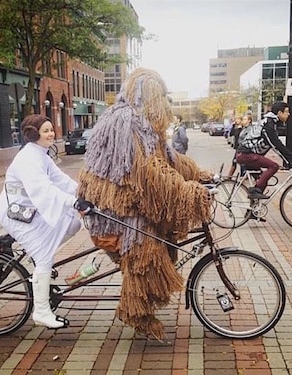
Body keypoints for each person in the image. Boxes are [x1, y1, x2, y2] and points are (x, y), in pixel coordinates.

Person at [78, 67, 212, 340]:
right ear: (147, 95)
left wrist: (197, 174)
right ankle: (136, 314)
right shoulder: (126, 122)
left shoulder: (146, 124)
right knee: (144, 250)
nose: (165, 103)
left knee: (162, 240)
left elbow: (168, 158)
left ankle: (146, 303)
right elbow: (148, 172)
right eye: (161, 96)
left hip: (129, 204)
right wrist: (188, 192)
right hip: (113, 212)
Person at [0, 114, 83, 329]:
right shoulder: (28, 158)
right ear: (33, 134)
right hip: (16, 213)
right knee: (43, 256)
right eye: (45, 130)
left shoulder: (42, 155)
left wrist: (84, 194)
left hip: (29, 209)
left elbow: (60, 180)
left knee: (72, 222)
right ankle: (42, 312)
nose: (51, 133)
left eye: (51, 129)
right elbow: (43, 189)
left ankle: (42, 258)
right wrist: (74, 202)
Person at [236, 102, 292, 199]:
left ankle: (253, 211)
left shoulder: (271, 122)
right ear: (279, 113)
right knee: (273, 166)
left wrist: (290, 160)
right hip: (246, 154)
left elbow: (274, 144)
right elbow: (275, 144)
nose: (289, 114)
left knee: (262, 181)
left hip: (246, 154)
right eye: (286, 112)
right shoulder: (268, 124)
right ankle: (254, 192)